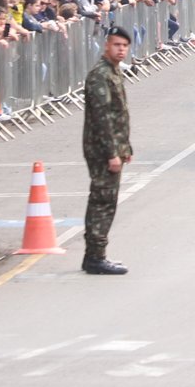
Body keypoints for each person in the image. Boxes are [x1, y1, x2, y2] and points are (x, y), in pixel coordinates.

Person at [81, 28, 133, 276]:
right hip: (101, 148)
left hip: (113, 146)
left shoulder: (113, 71)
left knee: (107, 201)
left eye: (124, 46)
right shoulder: (100, 75)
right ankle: (95, 256)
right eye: (116, 45)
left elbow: (119, 114)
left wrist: (125, 147)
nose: (121, 50)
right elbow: (102, 118)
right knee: (102, 201)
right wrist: (112, 153)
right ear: (106, 45)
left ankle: (95, 254)